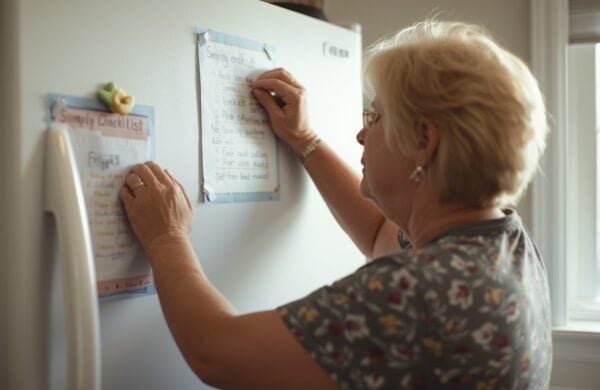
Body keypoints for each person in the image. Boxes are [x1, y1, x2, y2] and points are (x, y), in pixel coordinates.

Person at [119, 19, 552, 389]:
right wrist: (306, 140)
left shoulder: (419, 291)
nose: (362, 135)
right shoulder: (502, 244)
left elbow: (218, 354)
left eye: (375, 117)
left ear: (423, 140)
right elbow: (380, 234)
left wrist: (165, 236)